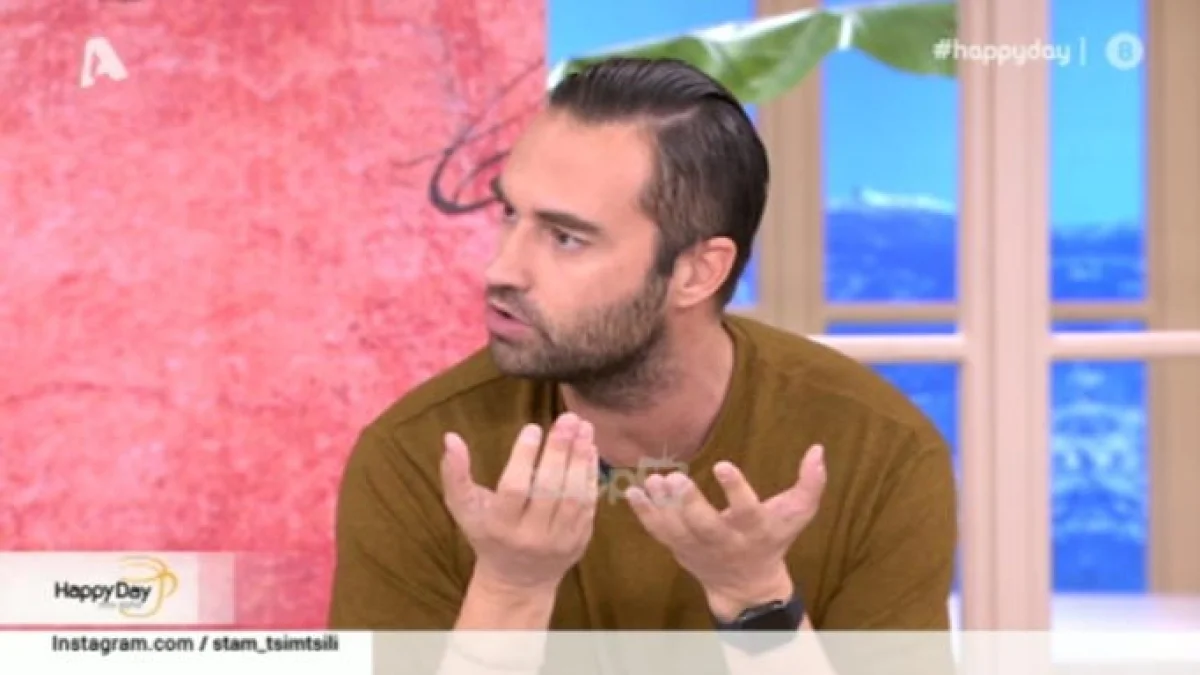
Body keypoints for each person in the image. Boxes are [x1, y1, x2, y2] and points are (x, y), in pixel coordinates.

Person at [328, 56, 957, 664]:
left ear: (696, 272)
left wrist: (755, 599)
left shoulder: (877, 454)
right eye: (510, 214)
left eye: (566, 238)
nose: (502, 269)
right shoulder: (421, 458)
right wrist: (509, 591)